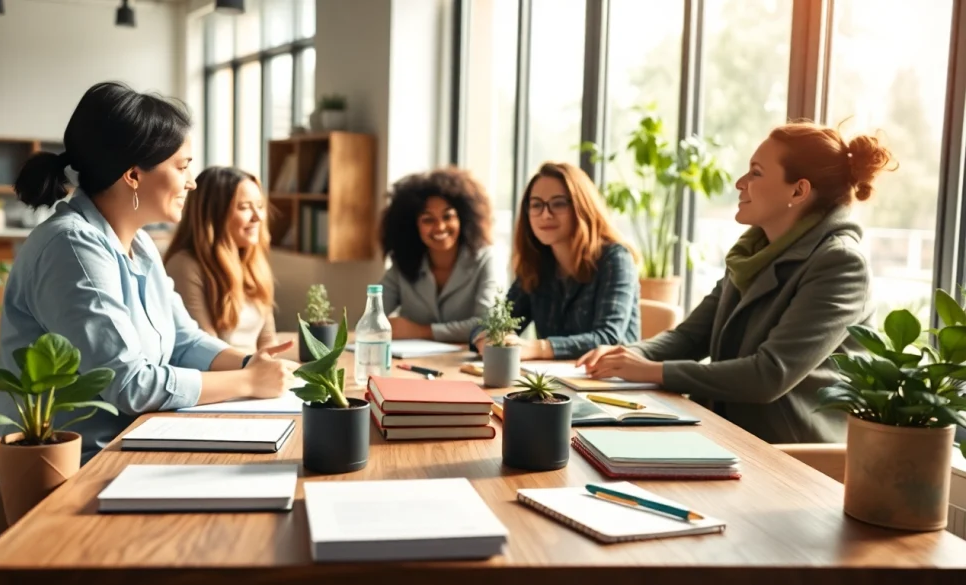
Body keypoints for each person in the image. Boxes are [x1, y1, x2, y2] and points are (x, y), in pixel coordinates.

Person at [1, 82, 294, 463]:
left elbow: (184, 340)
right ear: (134, 175)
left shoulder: (139, 246)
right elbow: (129, 385)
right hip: (83, 463)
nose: (192, 182)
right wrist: (248, 381)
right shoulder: (72, 247)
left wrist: (248, 363)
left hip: (137, 440)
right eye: (182, 166)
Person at [578, 121, 897, 444]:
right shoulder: (753, 252)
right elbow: (690, 337)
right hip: (727, 431)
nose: (740, 183)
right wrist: (624, 356)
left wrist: (649, 370)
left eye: (756, 173)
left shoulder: (840, 263)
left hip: (787, 453)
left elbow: (769, 375)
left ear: (798, 190)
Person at [471, 162, 641, 360]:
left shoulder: (615, 259)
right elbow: (495, 320)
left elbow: (608, 337)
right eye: (536, 205)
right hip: (553, 382)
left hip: (611, 383)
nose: (545, 214)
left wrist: (537, 348)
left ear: (582, 207)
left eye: (558, 203)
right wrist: (486, 338)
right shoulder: (537, 263)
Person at [378, 167, 501, 342]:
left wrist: (420, 331)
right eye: (428, 219)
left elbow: (488, 324)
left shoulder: (486, 259)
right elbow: (372, 315)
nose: (440, 227)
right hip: (410, 362)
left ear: (463, 218)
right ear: (413, 226)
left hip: (462, 363)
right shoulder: (403, 263)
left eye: (448, 216)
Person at [164, 166, 276, 354]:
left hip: (255, 373)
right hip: (222, 376)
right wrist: (256, 370)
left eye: (260, 206)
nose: (258, 217)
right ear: (214, 216)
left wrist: (271, 366)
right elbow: (206, 350)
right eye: (244, 207)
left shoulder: (253, 263)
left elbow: (267, 339)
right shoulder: (184, 266)